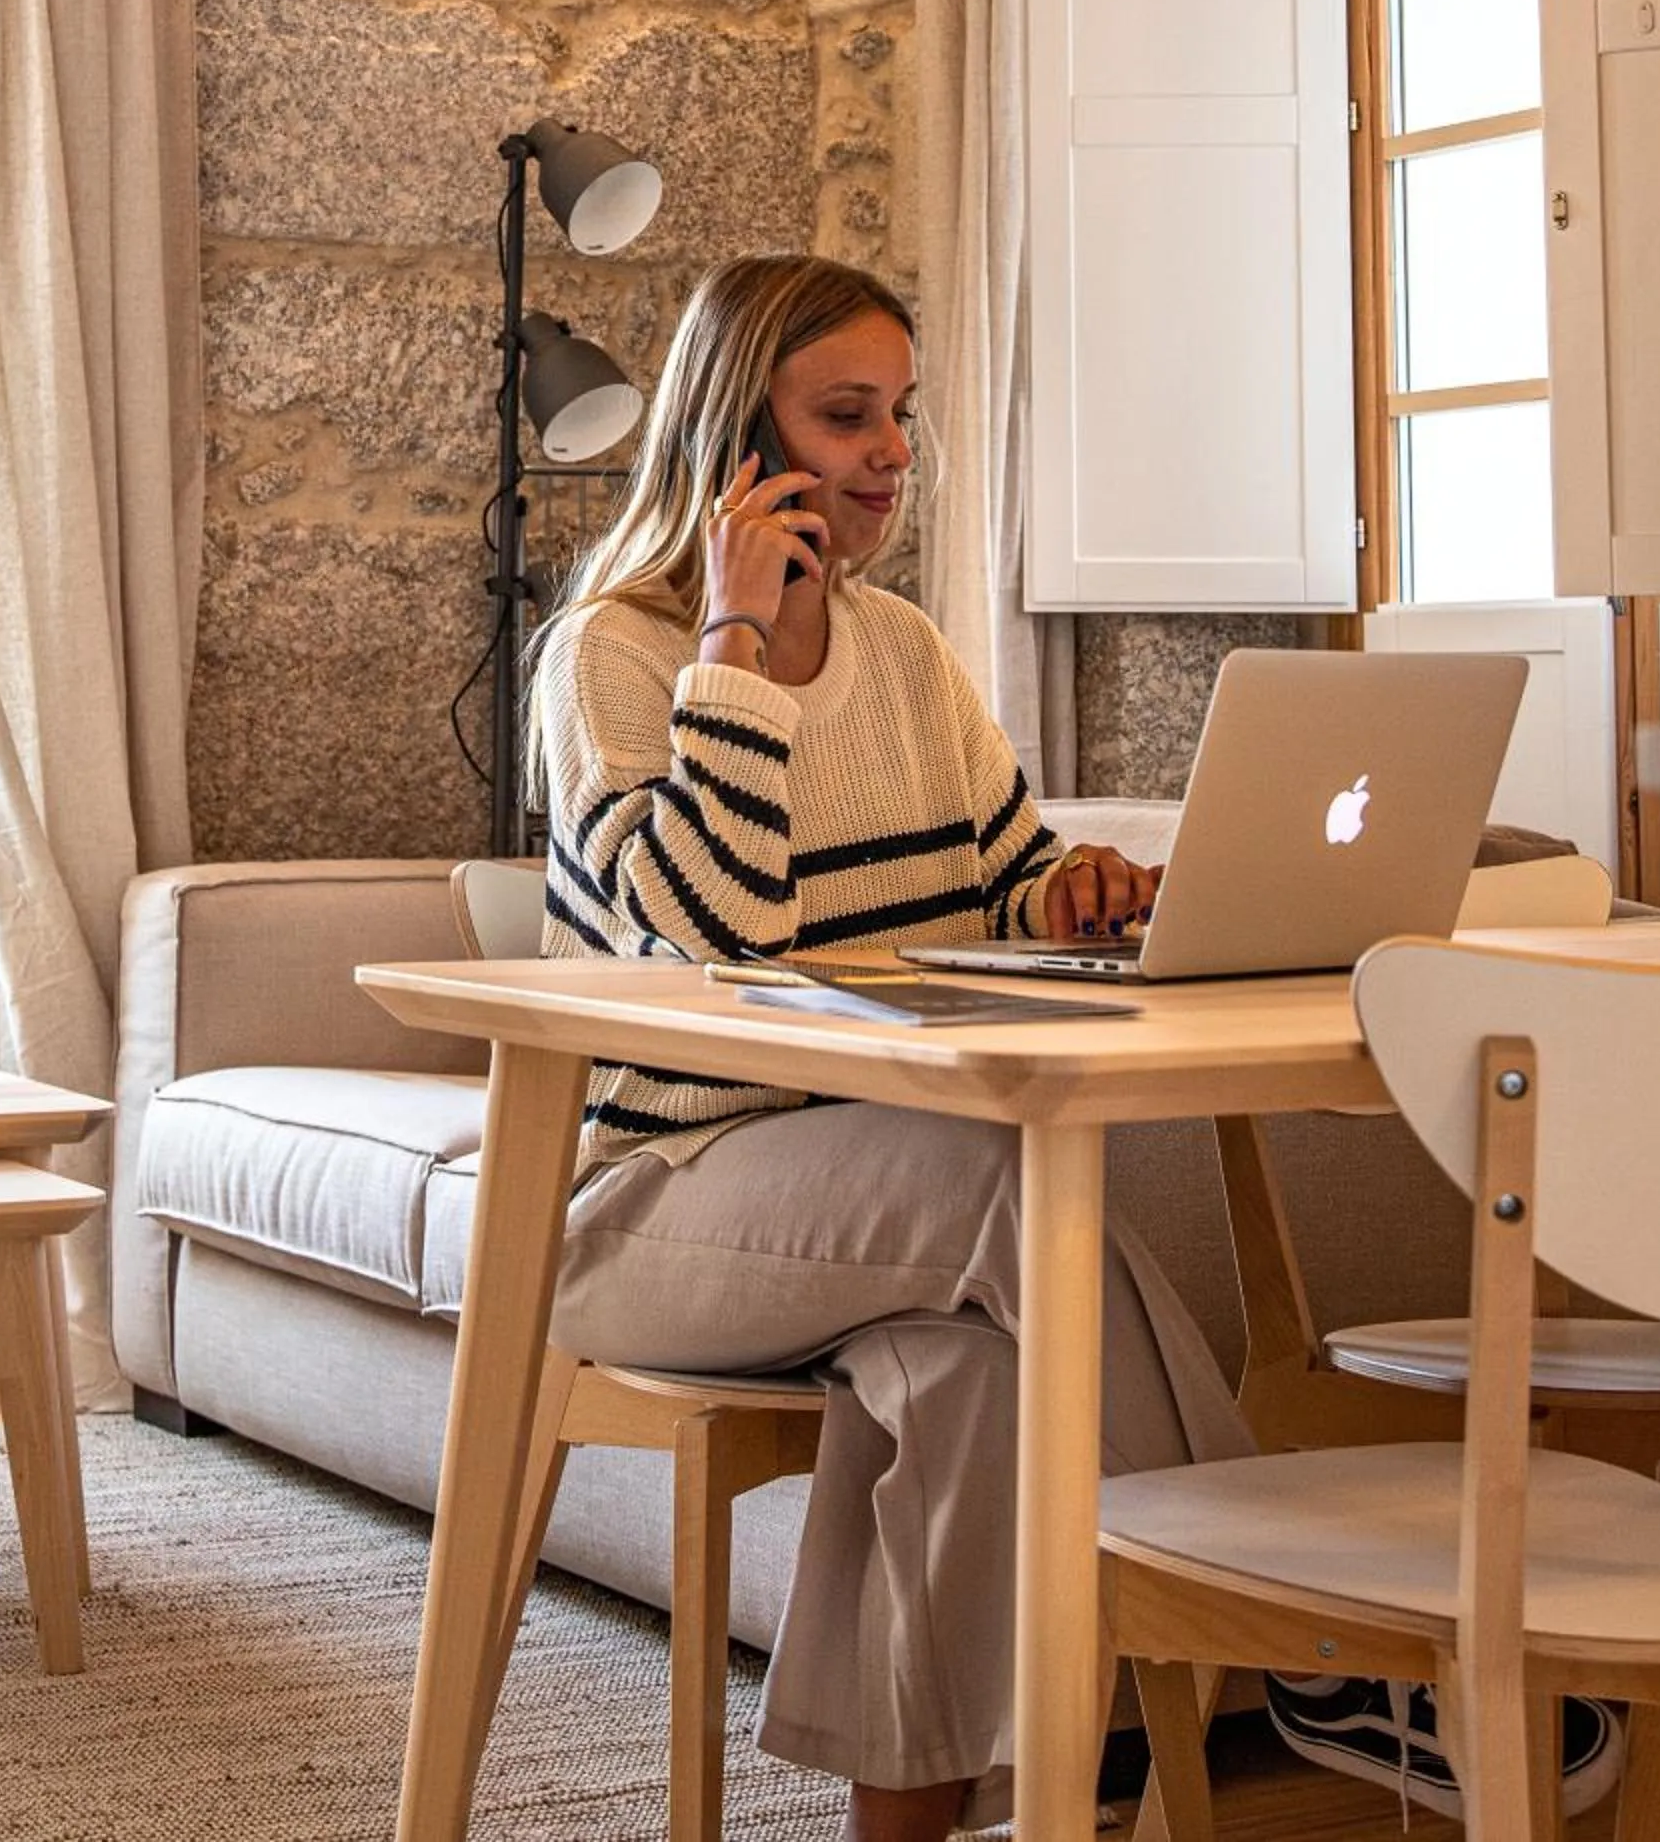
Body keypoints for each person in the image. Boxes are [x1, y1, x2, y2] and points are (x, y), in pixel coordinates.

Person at [527, 253, 1251, 1842]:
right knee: (1005, 1182)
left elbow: (1004, 876)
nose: (888, 452)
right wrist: (736, 644)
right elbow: (706, 928)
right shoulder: (616, 658)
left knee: (975, 1369)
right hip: (660, 1205)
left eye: (900, 415)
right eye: (845, 415)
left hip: (877, 1226)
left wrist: (1079, 892)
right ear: (738, 445)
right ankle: (1294, 1647)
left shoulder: (911, 654)